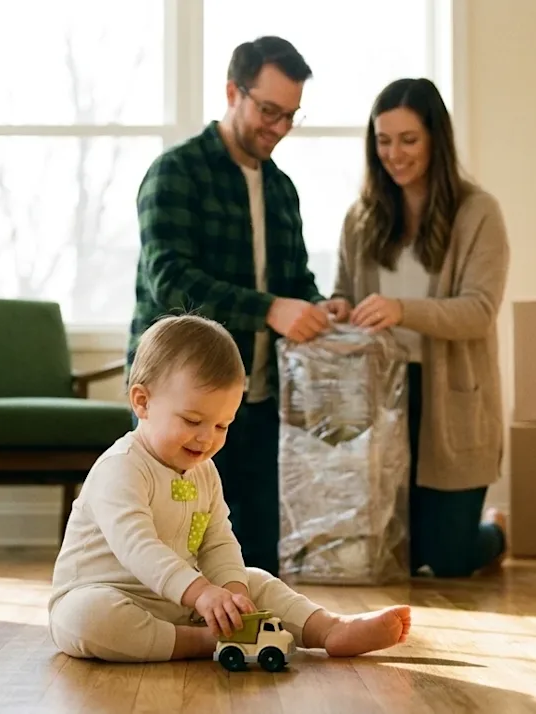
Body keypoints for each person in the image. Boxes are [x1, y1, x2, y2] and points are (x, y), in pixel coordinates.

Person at [48, 315, 411, 663]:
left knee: (256, 581)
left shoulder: (203, 471)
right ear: (142, 401)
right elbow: (138, 546)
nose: (207, 438)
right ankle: (202, 642)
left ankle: (328, 629)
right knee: (87, 618)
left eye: (223, 425)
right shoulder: (121, 468)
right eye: (193, 420)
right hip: (110, 595)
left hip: (183, 602)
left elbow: (217, 540)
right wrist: (203, 593)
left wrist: (234, 595)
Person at [127, 36, 335, 576]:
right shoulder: (175, 173)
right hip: (181, 399)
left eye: (290, 116)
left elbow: (296, 282)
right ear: (231, 92)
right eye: (269, 111)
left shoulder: (283, 191)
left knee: (257, 558)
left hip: (255, 400)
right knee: (168, 552)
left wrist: (321, 307)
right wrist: (270, 309)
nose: (279, 127)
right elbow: (169, 281)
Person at [321, 77, 510, 579]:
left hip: (451, 399)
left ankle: (495, 532)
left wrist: (403, 310)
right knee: (394, 551)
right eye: (384, 141)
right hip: (383, 395)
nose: (395, 154)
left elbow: (479, 310)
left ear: (435, 141)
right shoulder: (361, 218)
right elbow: (344, 289)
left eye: (409, 140)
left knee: (446, 560)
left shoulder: (477, 212)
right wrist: (339, 307)